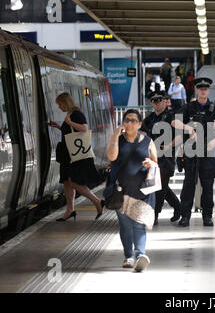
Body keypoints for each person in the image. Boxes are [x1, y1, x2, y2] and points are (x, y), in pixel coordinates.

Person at [106, 109, 158, 272]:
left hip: (142, 190)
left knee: (139, 223)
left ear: (140, 124)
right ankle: (128, 256)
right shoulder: (118, 140)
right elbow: (112, 157)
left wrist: (150, 163)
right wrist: (115, 134)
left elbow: (155, 163)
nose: (129, 123)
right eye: (126, 120)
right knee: (125, 225)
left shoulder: (148, 141)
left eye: (133, 120)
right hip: (121, 191)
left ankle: (140, 255)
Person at [171, 77, 215, 227]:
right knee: (188, 185)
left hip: (207, 153)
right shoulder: (189, 107)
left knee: (207, 186)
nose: (203, 90)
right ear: (196, 90)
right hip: (190, 151)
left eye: (205, 88)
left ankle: (207, 216)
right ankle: (185, 216)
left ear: (209, 90)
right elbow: (174, 121)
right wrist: (188, 128)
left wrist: (213, 142)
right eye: (200, 88)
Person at [49, 92, 103, 222]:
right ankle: (70, 210)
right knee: (67, 182)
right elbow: (71, 133)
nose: (59, 106)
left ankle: (97, 201)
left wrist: (70, 123)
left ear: (66, 102)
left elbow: (84, 128)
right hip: (68, 154)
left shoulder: (76, 114)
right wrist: (59, 127)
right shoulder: (70, 115)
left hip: (75, 155)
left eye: (60, 104)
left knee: (73, 181)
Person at [140, 93, 182, 225]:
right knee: (160, 186)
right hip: (152, 157)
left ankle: (155, 214)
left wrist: (169, 145)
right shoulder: (149, 119)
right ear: (151, 103)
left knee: (160, 186)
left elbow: (180, 136)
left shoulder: (172, 117)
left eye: (159, 101)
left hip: (166, 158)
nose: (157, 103)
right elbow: (142, 133)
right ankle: (178, 207)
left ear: (165, 102)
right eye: (154, 101)